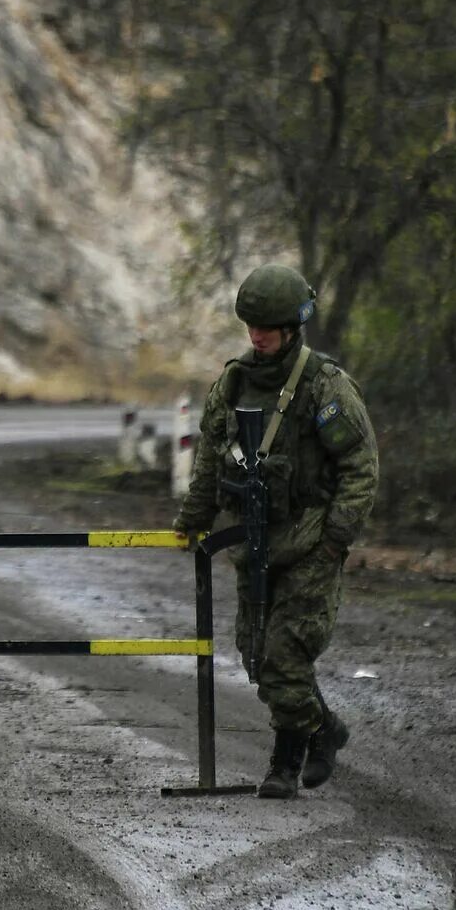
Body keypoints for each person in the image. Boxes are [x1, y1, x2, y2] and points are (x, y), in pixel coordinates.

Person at [174, 264, 379, 799]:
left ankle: (285, 764)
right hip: (252, 540)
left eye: (267, 326)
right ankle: (323, 731)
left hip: (310, 541)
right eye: (251, 325)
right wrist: (194, 517)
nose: (256, 335)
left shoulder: (322, 386)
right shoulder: (234, 382)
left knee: (285, 655)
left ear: (293, 326)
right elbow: (210, 460)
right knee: (256, 654)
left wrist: (337, 536)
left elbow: (361, 464)